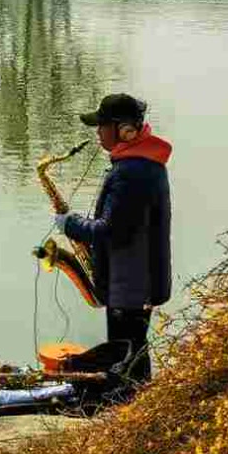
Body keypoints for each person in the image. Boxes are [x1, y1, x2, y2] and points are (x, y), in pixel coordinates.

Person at [53, 92, 172, 397]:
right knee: (133, 353)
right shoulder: (143, 164)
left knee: (126, 356)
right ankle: (138, 404)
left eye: (102, 125)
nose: (97, 132)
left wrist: (71, 224)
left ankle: (128, 405)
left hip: (130, 284)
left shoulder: (131, 173)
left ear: (124, 130)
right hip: (136, 281)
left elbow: (109, 231)